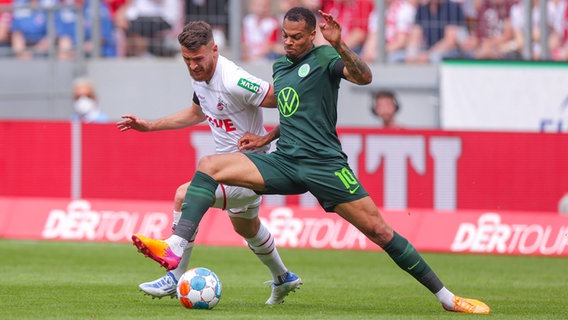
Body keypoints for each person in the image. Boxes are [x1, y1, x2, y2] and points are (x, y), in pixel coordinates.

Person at [132, 7, 490, 314]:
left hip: (325, 165)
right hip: (284, 161)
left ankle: (447, 298)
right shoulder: (280, 69)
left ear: (311, 35)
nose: (289, 42)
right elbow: (291, 114)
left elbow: (364, 77)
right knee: (209, 165)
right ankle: (176, 249)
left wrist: (339, 44)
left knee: (380, 231)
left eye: (297, 37)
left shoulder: (324, 59)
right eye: (285, 35)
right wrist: (265, 138)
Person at [118, 21, 301, 304]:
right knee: (247, 230)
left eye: (199, 59)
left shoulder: (235, 80)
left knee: (183, 194)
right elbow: (196, 112)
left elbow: (288, 100)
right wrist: (149, 125)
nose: (193, 66)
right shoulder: (200, 76)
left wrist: (267, 138)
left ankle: (174, 274)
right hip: (231, 172)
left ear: (214, 49)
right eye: (187, 60)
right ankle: (283, 277)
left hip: (248, 171)